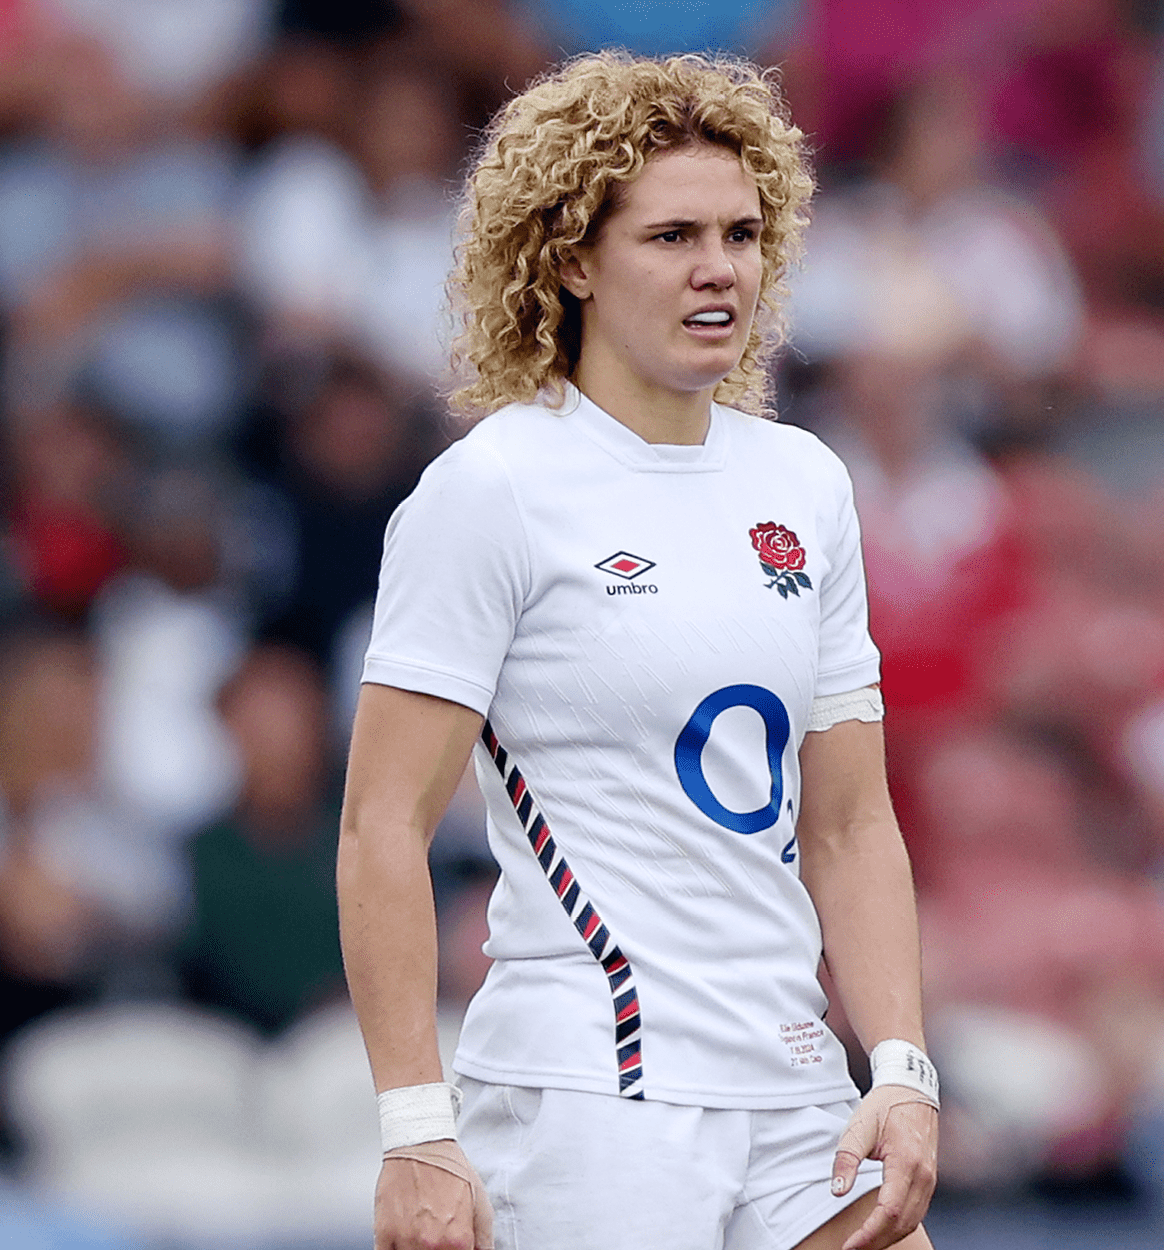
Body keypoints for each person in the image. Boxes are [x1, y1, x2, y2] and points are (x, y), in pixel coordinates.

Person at [337, 52, 940, 1250]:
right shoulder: (493, 489)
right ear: (570, 260)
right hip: (591, 1088)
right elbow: (379, 827)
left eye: (741, 231)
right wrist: (414, 1123)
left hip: (792, 1079)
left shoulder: (803, 481)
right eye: (670, 236)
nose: (718, 267)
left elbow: (848, 822)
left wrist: (903, 1065)